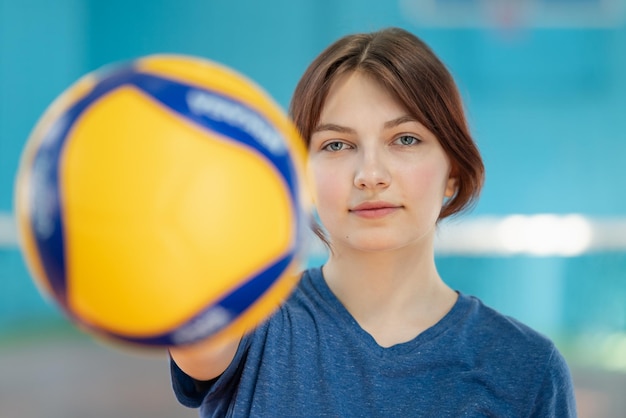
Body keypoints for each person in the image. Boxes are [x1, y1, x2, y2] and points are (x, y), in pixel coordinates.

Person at [169, 27, 577, 417]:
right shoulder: (250, 319)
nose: (370, 174)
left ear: (452, 170)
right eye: (336, 144)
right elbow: (183, 325)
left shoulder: (526, 368)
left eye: (405, 139)